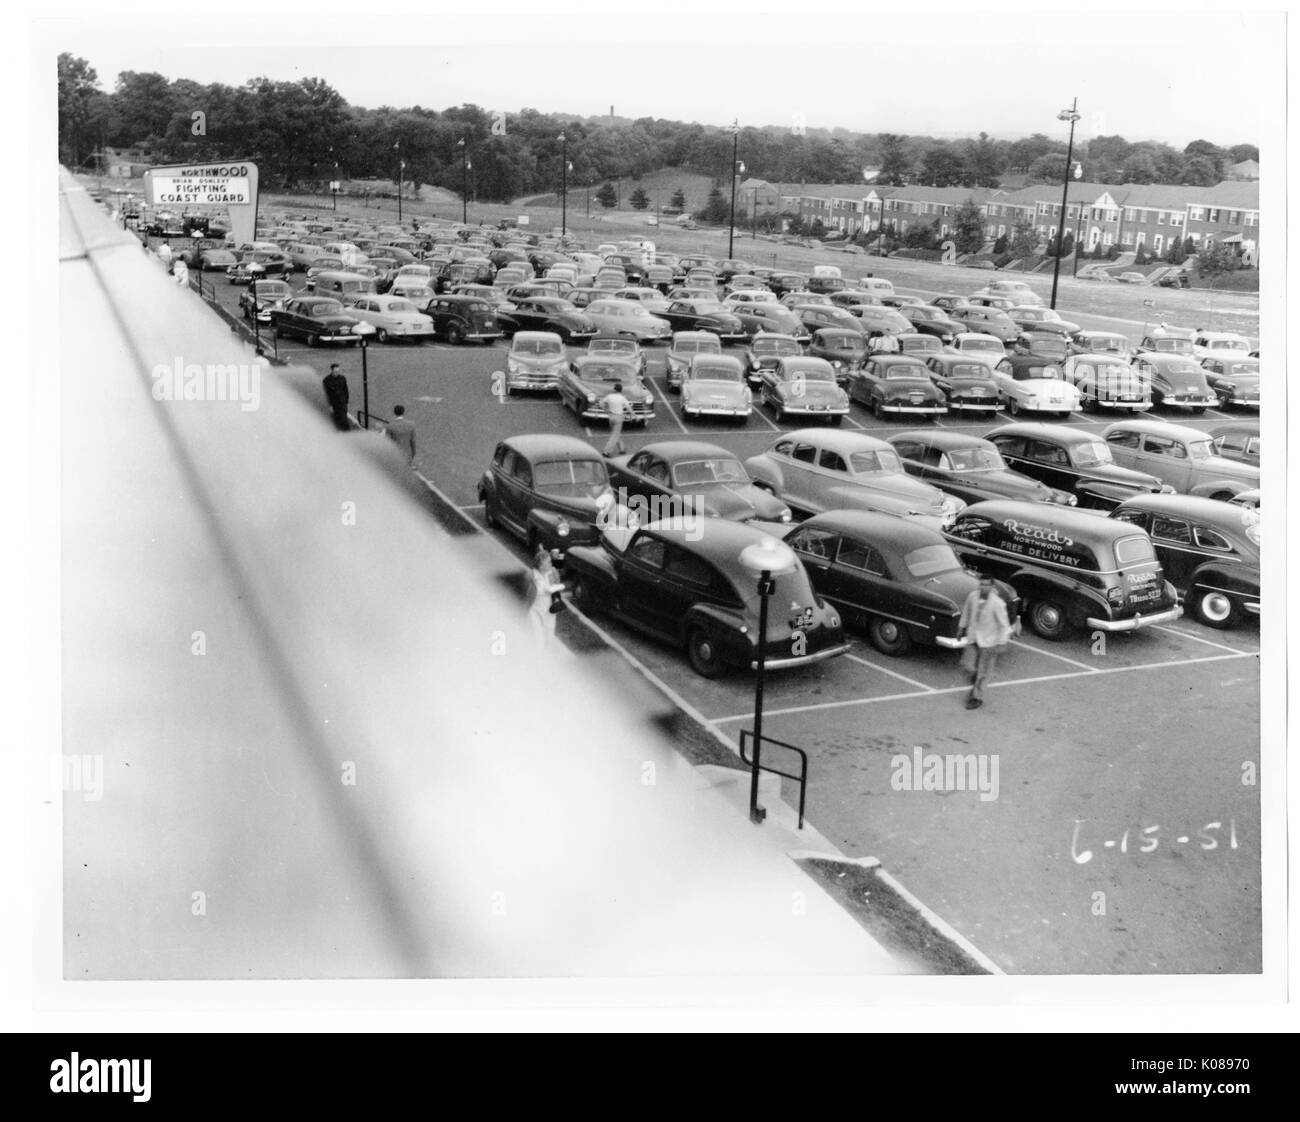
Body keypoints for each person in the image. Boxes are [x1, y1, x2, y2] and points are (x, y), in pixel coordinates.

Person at [958, 576, 1013, 710]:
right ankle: (975, 679)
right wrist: (961, 628)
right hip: (973, 638)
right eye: (981, 584)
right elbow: (966, 612)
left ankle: (977, 697)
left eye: (986, 585)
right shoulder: (972, 596)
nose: (983, 587)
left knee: (983, 672)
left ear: (992, 586)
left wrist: (1002, 643)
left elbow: (1004, 625)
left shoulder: (997, 603)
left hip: (989, 642)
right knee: (967, 666)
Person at [528, 546, 565, 648]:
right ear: (540, 564)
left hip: (550, 609)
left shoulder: (553, 572)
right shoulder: (532, 575)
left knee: (549, 635)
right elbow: (527, 593)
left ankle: (547, 653)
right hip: (535, 610)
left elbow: (557, 585)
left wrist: (557, 588)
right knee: (538, 636)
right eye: (548, 562)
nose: (551, 563)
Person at [601, 382, 630, 457]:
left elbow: (602, 403)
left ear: (614, 389)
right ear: (621, 390)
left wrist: (606, 410)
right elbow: (628, 408)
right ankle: (606, 451)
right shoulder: (622, 398)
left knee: (616, 433)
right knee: (615, 435)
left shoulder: (609, 396)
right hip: (619, 417)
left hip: (611, 416)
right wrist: (634, 415)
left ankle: (622, 449)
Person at [322, 364, 351, 431]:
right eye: (335, 371)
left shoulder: (342, 378)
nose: (337, 373)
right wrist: (329, 405)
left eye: (338, 371)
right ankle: (340, 432)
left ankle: (347, 432)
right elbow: (326, 394)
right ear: (332, 371)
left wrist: (346, 400)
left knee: (344, 418)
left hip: (342, 402)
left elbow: (345, 390)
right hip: (334, 404)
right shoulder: (326, 380)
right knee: (337, 419)